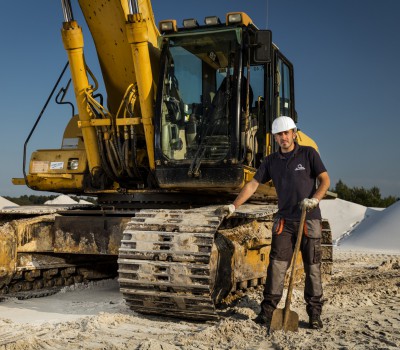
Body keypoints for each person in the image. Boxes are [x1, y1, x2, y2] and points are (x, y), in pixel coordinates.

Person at [217, 116, 330, 331]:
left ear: (294, 133)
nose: (284, 138)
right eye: (280, 134)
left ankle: (314, 314)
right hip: (285, 221)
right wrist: (234, 206)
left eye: (287, 133)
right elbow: (252, 184)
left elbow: (325, 180)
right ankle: (267, 312)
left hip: (309, 219)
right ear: (275, 137)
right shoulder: (270, 161)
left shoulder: (309, 154)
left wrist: (315, 199)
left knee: (313, 268)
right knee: (276, 268)